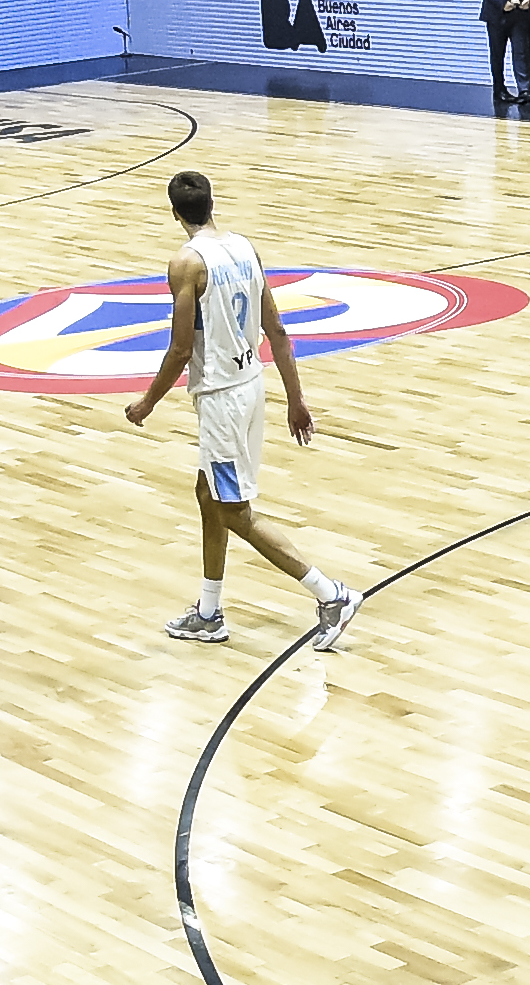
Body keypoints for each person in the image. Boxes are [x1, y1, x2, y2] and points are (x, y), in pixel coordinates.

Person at [125, 169, 361, 654]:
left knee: (235, 511)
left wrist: (146, 403)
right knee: (207, 493)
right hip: (252, 386)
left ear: (174, 213)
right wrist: (295, 398)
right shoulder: (245, 248)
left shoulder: (186, 264)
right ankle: (209, 613)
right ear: (212, 204)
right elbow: (277, 330)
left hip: (222, 400)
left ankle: (330, 594)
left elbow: (177, 349)